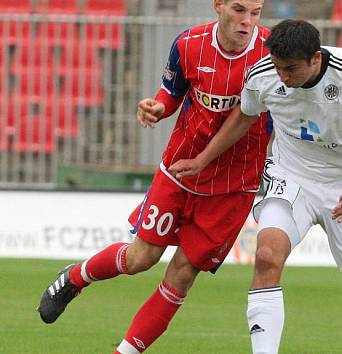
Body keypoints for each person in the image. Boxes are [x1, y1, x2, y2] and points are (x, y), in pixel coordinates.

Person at [37, 1, 270, 353]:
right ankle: (74, 278)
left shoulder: (268, 55)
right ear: (218, 6)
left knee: (181, 273)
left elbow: (246, 119)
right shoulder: (189, 44)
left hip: (232, 186)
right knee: (140, 258)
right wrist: (158, 107)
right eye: (239, 10)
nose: (247, 21)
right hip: (179, 170)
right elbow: (172, 93)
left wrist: (205, 159)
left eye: (256, 12)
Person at [169, 19, 342, 354]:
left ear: (315, 58)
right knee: (266, 256)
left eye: (291, 69)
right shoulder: (264, 75)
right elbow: (244, 115)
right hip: (290, 176)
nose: (283, 76)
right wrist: (202, 159)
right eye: (278, 67)